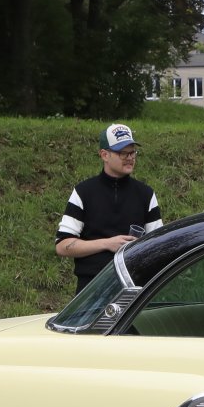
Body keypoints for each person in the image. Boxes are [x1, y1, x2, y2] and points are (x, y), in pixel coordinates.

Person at [55, 123, 162, 291]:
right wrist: (107, 244)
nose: (130, 158)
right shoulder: (83, 192)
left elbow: (160, 246)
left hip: (134, 288)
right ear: (104, 155)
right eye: (123, 153)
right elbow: (62, 245)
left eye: (132, 152)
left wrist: (140, 248)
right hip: (91, 288)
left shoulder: (146, 194)